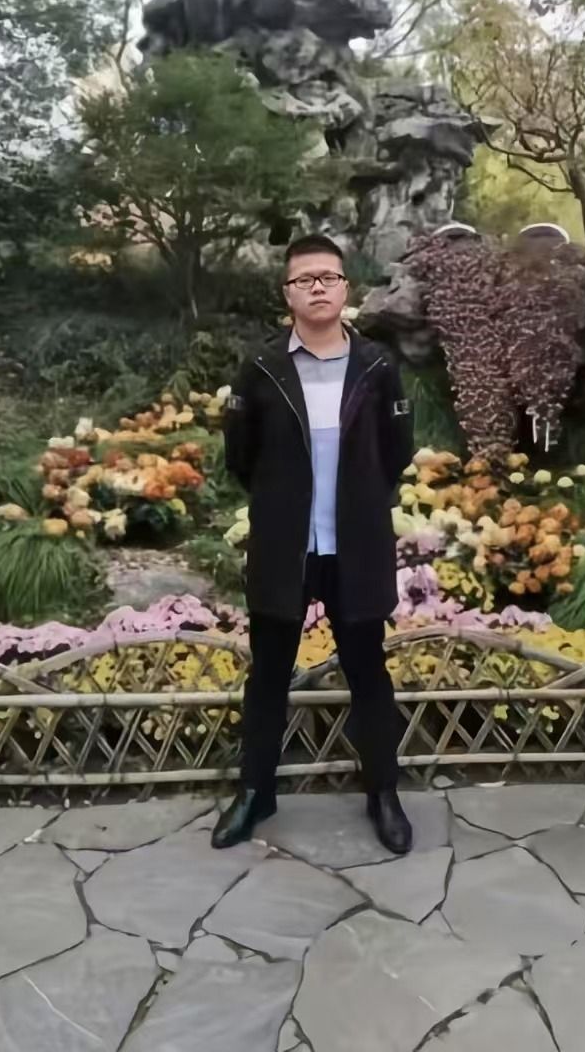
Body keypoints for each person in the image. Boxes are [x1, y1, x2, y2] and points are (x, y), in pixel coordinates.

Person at [211, 233, 415, 853]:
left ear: (345, 288)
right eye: (305, 279)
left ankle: (383, 792)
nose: (318, 287)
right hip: (286, 548)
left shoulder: (377, 367)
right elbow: (240, 455)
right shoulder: (263, 368)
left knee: (368, 672)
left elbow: (397, 451)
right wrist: (281, 502)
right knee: (269, 675)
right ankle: (255, 792)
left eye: (328, 277)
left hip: (355, 546)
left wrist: (361, 499)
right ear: (288, 294)